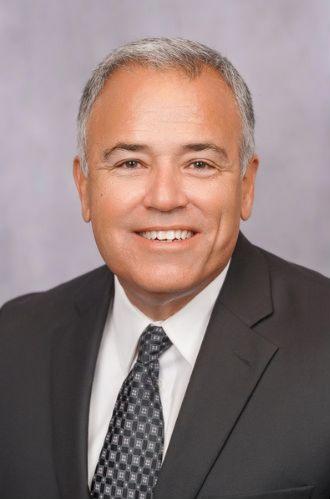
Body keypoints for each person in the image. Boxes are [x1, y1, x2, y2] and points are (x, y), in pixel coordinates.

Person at [0, 37, 329, 499]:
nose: (164, 197)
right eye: (131, 162)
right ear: (84, 187)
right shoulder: (12, 343)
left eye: (199, 163)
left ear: (246, 185)